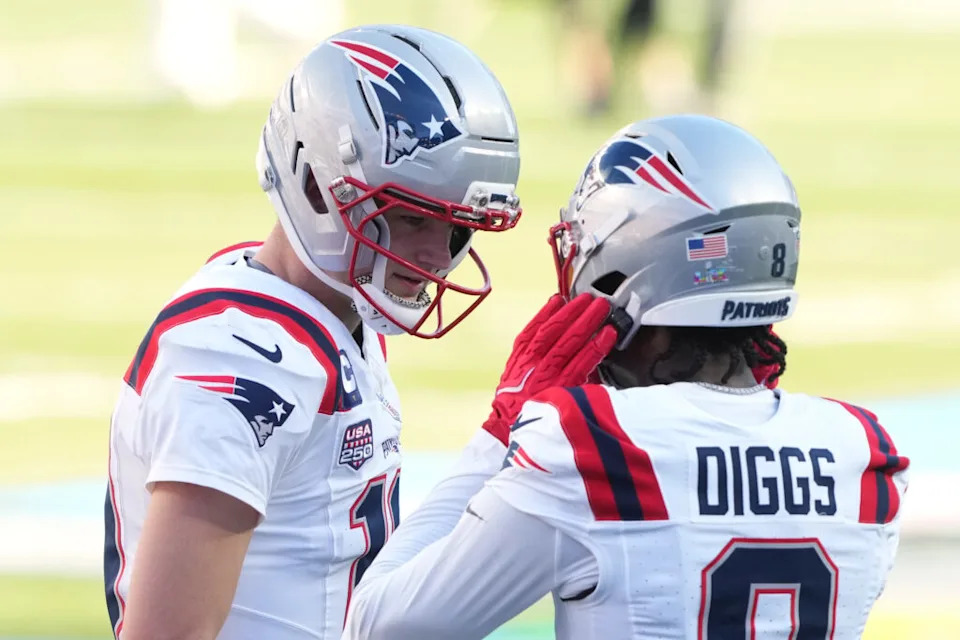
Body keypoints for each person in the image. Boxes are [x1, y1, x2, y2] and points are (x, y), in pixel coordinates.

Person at [341, 114, 910, 639]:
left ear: (624, 276)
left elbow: (381, 624)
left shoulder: (593, 444)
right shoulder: (865, 450)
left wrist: (501, 435)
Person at [102, 24, 535, 640]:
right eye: (413, 218)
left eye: (459, 228)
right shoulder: (243, 355)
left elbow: (377, 580)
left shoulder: (338, 315)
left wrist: (501, 440)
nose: (439, 257)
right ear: (316, 185)